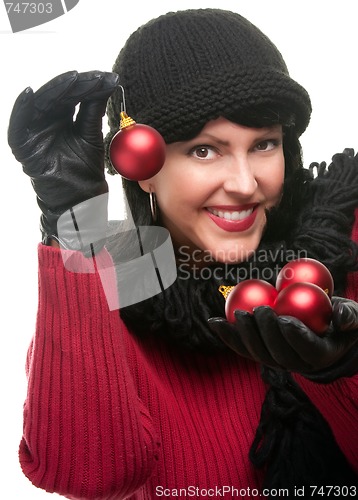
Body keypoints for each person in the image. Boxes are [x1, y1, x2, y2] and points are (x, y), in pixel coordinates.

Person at [8, 8, 358, 499]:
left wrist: (343, 370)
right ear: (143, 167)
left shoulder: (344, 244)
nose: (244, 184)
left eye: (264, 144)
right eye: (203, 150)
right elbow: (85, 475)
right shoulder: (106, 292)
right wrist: (74, 228)